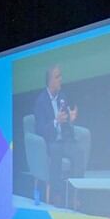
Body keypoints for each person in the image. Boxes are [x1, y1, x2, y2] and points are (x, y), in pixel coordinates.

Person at [33, 64, 85, 203]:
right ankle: (57, 194)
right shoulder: (41, 101)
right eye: (57, 77)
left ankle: (75, 194)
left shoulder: (62, 96)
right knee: (56, 151)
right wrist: (56, 122)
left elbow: (66, 121)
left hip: (65, 140)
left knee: (79, 152)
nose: (61, 79)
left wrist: (71, 120)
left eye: (60, 76)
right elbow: (40, 129)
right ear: (50, 81)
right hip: (50, 141)